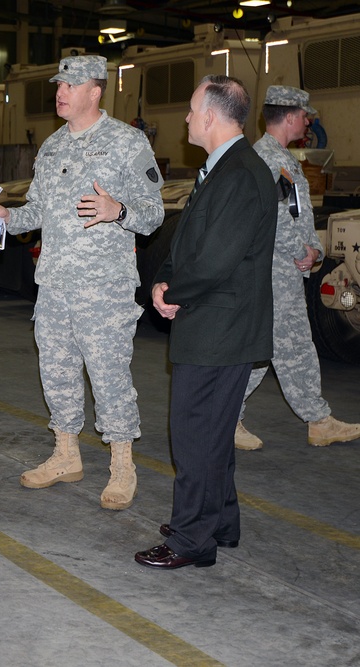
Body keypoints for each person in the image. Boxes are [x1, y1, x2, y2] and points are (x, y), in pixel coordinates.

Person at [0, 55, 164, 511]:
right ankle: (66, 455)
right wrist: (8, 216)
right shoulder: (52, 146)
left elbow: (154, 213)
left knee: (109, 377)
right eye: (58, 83)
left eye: (69, 84)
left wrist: (117, 211)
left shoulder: (127, 142)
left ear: (95, 91)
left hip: (104, 289)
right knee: (57, 374)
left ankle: (122, 466)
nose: (60, 91)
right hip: (55, 284)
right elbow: (39, 211)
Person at [135, 75, 277, 570]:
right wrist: (164, 281)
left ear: (213, 116)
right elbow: (188, 244)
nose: (188, 119)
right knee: (213, 432)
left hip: (220, 327)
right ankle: (219, 522)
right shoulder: (222, 170)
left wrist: (171, 292)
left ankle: (191, 540)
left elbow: (215, 261)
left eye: (193, 110)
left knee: (194, 433)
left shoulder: (239, 174)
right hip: (216, 321)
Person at [235, 85, 360, 451]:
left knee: (286, 347)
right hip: (273, 271)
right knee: (268, 349)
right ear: (290, 116)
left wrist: (314, 250)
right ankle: (229, 417)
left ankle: (316, 420)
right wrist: (303, 251)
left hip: (284, 270)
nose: (307, 121)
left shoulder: (282, 158)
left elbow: (296, 215)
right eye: (305, 115)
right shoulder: (268, 160)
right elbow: (271, 218)